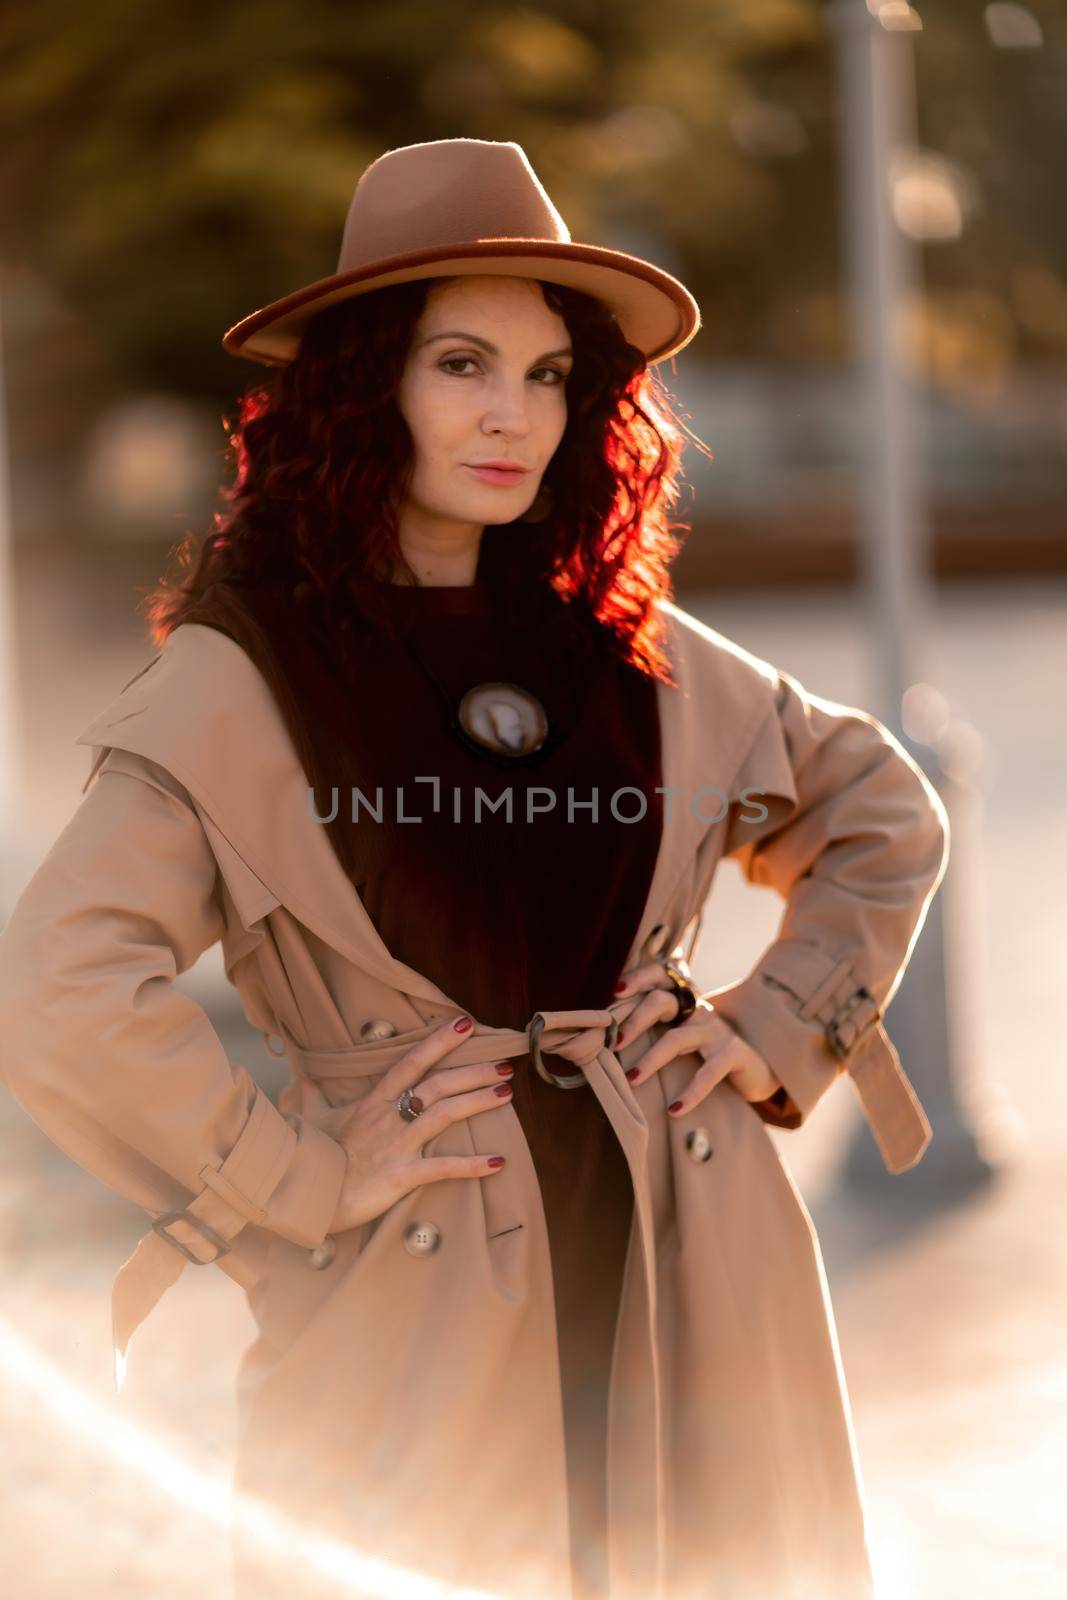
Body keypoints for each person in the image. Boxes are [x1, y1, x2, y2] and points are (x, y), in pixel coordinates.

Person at [0, 139, 949, 1600]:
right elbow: (58, 981)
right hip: (412, 1281)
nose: (516, 415)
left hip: (689, 1248)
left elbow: (882, 812)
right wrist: (299, 1178)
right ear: (366, 381)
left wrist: (763, 1030)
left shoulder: (628, 650)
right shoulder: (245, 675)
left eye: (552, 374)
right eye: (462, 364)